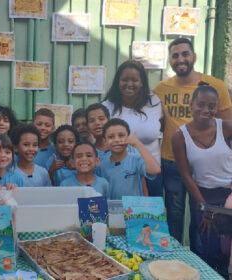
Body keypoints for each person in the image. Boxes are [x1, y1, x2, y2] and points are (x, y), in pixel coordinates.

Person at [154, 37, 232, 244]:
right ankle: (175, 259)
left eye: (185, 54)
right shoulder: (161, 89)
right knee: (175, 214)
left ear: (194, 56)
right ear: (170, 60)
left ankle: (201, 260)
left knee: (202, 214)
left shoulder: (215, 86)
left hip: (207, 164)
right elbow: (158, 123)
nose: (181, 59)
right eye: (175, 55)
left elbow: (227, 127)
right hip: (172, 160)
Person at [172, 84, 232, 275]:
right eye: (201, 104)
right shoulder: (179, 136)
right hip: (202, 196)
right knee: (207, 246)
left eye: (212, 106)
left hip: (229, 195)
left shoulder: (227, 127)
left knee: (227, 249)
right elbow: (186, 176)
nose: (206, 110)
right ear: (191, 105)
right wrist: (204, 206)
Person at [102, 60, 163, 197]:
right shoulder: (106, 107)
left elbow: (162, 126)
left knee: (149, 217)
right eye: (124, 80)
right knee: (118, 213)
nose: (129, 84)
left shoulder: (154, 102)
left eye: (134, 80)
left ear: (142, 83)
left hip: (151, 170)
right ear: (118, 82)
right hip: (122, 173)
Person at [96, 118, 160, 199]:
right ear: (105, 140)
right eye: (111, 137)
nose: (117, 140)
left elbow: (155, 170)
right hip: (111, 209)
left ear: (128, 137)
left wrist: (137, 143)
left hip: (134, 210)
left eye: (121, 135)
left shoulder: (136, 159)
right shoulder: (101, 165)